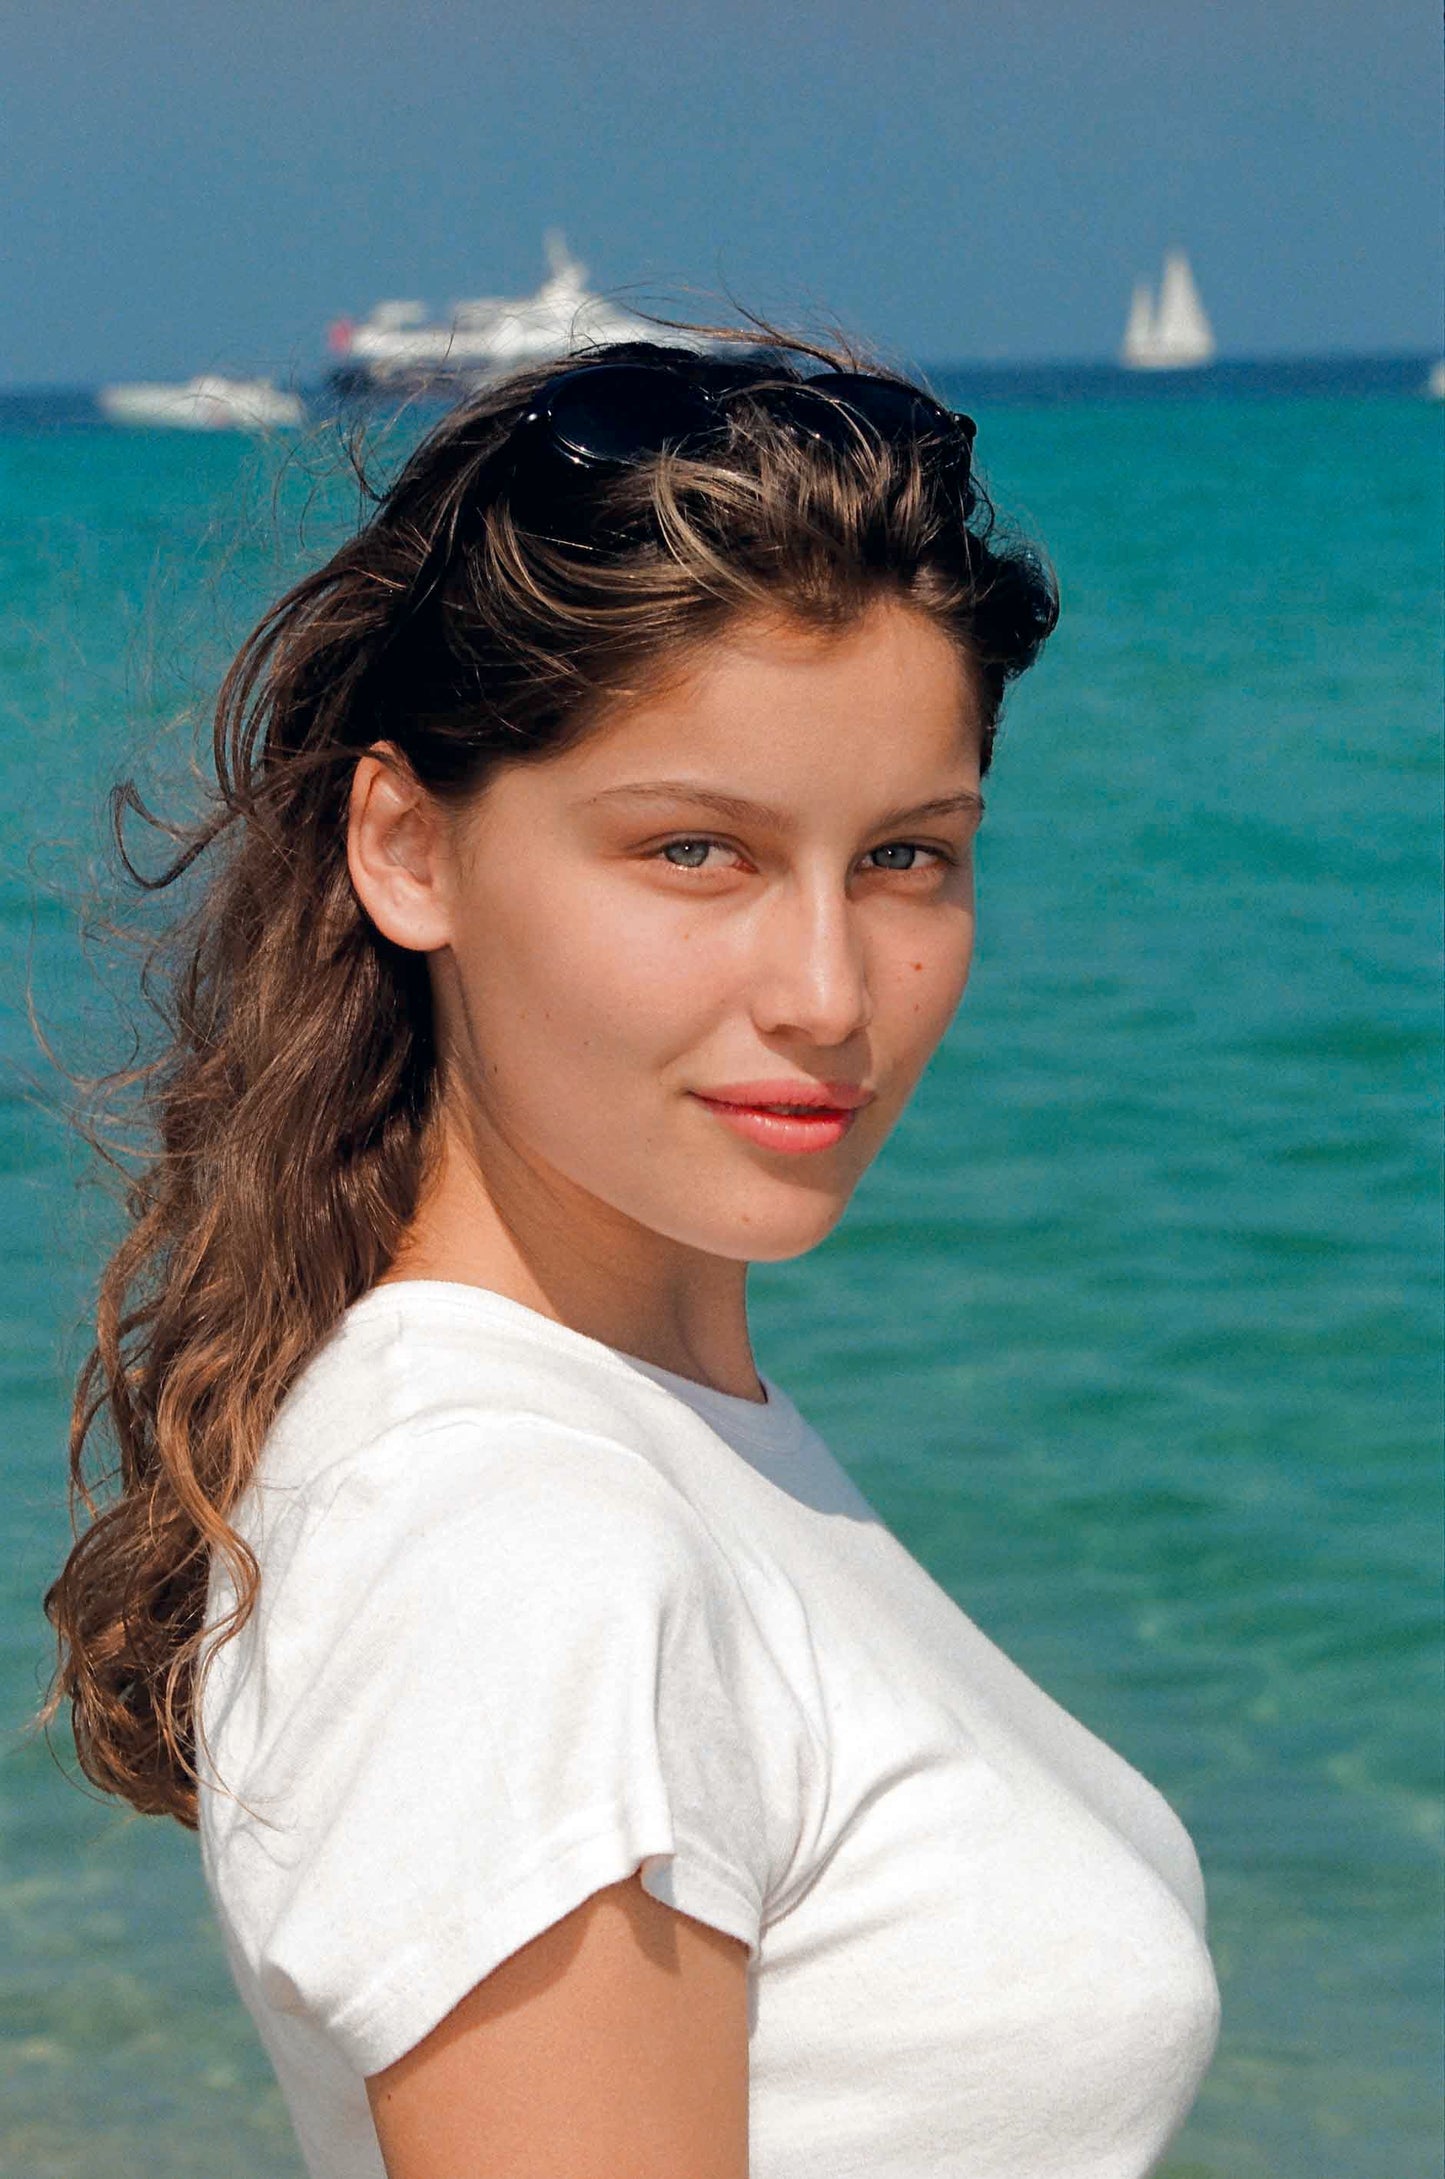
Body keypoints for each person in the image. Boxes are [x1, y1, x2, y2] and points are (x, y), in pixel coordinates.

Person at [46, 335, 1220, 2178]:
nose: (829, 995)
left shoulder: (637, 1440)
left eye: (909, 857)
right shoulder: (515, 1538)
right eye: (696, 851)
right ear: (408, 846)